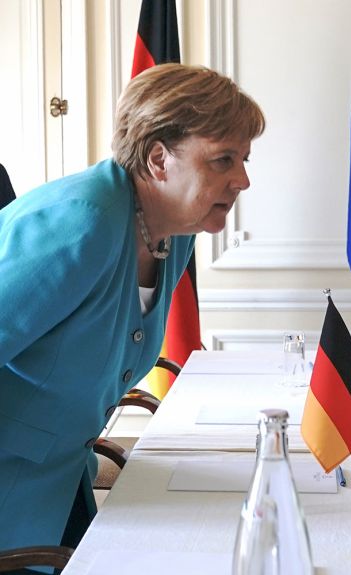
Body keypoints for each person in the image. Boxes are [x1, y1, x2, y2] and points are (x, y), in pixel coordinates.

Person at [0, 63, 265, 557]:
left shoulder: (175, 234)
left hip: (59, 485)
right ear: (159, 159)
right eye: (223, 160)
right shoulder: (82, 221)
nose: (243, 180)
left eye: (245, 159)